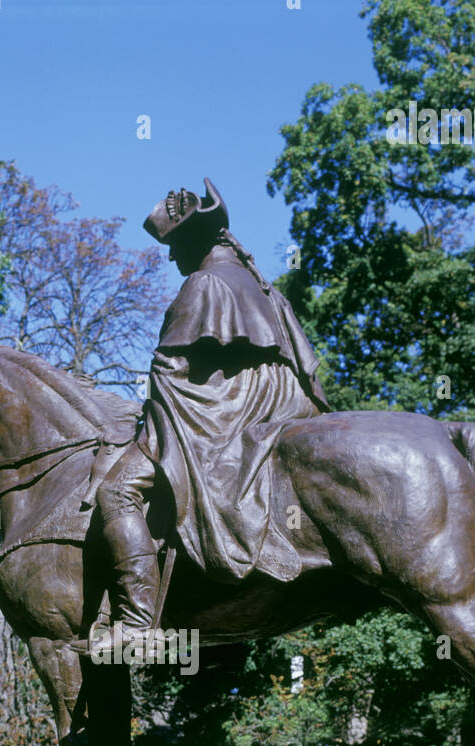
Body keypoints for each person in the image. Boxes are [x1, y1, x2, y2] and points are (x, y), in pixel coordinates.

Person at [85, 178, 332, 658]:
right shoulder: (265, 288)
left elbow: (170, 371)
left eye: (174, 244)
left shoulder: (203, 284)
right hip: (281, 406)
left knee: (116, 491)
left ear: (194, 240)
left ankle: (136, 622)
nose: (171, 257)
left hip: (230, 410)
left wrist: (148, 416)